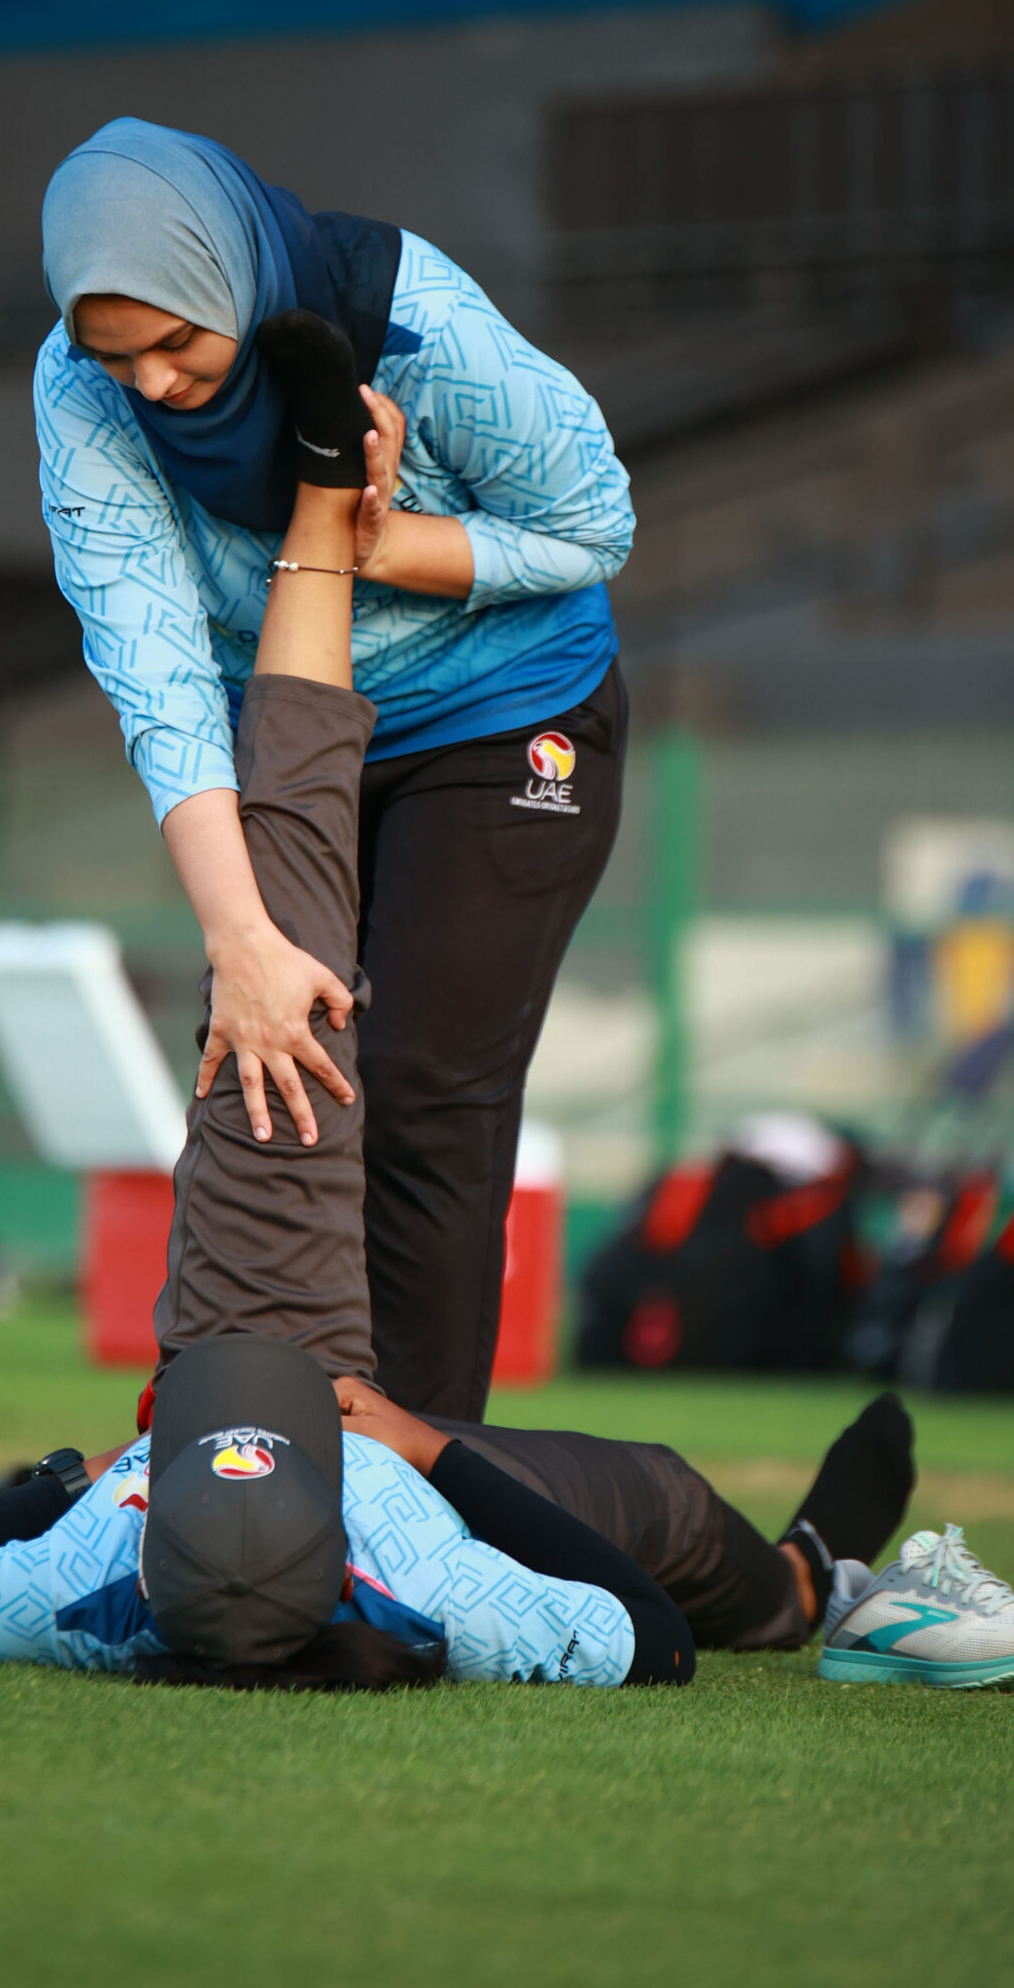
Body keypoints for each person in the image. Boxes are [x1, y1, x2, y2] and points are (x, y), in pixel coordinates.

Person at [0, 367, 915, 1690]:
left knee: (284, 971)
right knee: (668, 1505)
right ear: (346, 1557)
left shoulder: (89, 1566)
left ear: (144, 1530)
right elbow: (656, 1638)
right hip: (381, 1449)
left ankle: (322, 516)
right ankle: (802, 1578)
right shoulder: (415, 1567)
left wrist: (66, 1483)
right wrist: (426, 1450)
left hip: (236, 1314)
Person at [38, 117, 634, 1420]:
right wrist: (238, 936)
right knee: (271, 1053)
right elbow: (160, 682)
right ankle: (244, 1456)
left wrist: (381, 541)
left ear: (232, 288)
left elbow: (597, 524)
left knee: (417, 1088)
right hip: (299, 728)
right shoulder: (81, 397)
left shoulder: (409, 315)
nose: (149, 386)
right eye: (113, 352)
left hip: (505, 716)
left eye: (179, 347)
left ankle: (420, 1484)